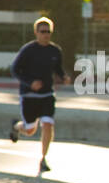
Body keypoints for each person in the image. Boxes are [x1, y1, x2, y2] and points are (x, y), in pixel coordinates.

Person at [9, 16, 71, 172]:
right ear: (36, 33)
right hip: (29, 97)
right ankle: (17, 126)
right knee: (30, 130)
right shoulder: (28, 50)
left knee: (48, 124)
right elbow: (15, 70)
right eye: (43, 31)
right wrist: (30, 83)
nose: (46, 35)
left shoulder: (55, 50)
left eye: (48, 32)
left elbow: (58, 69)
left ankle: (43, 159)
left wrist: (64, 77)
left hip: (47, 96)